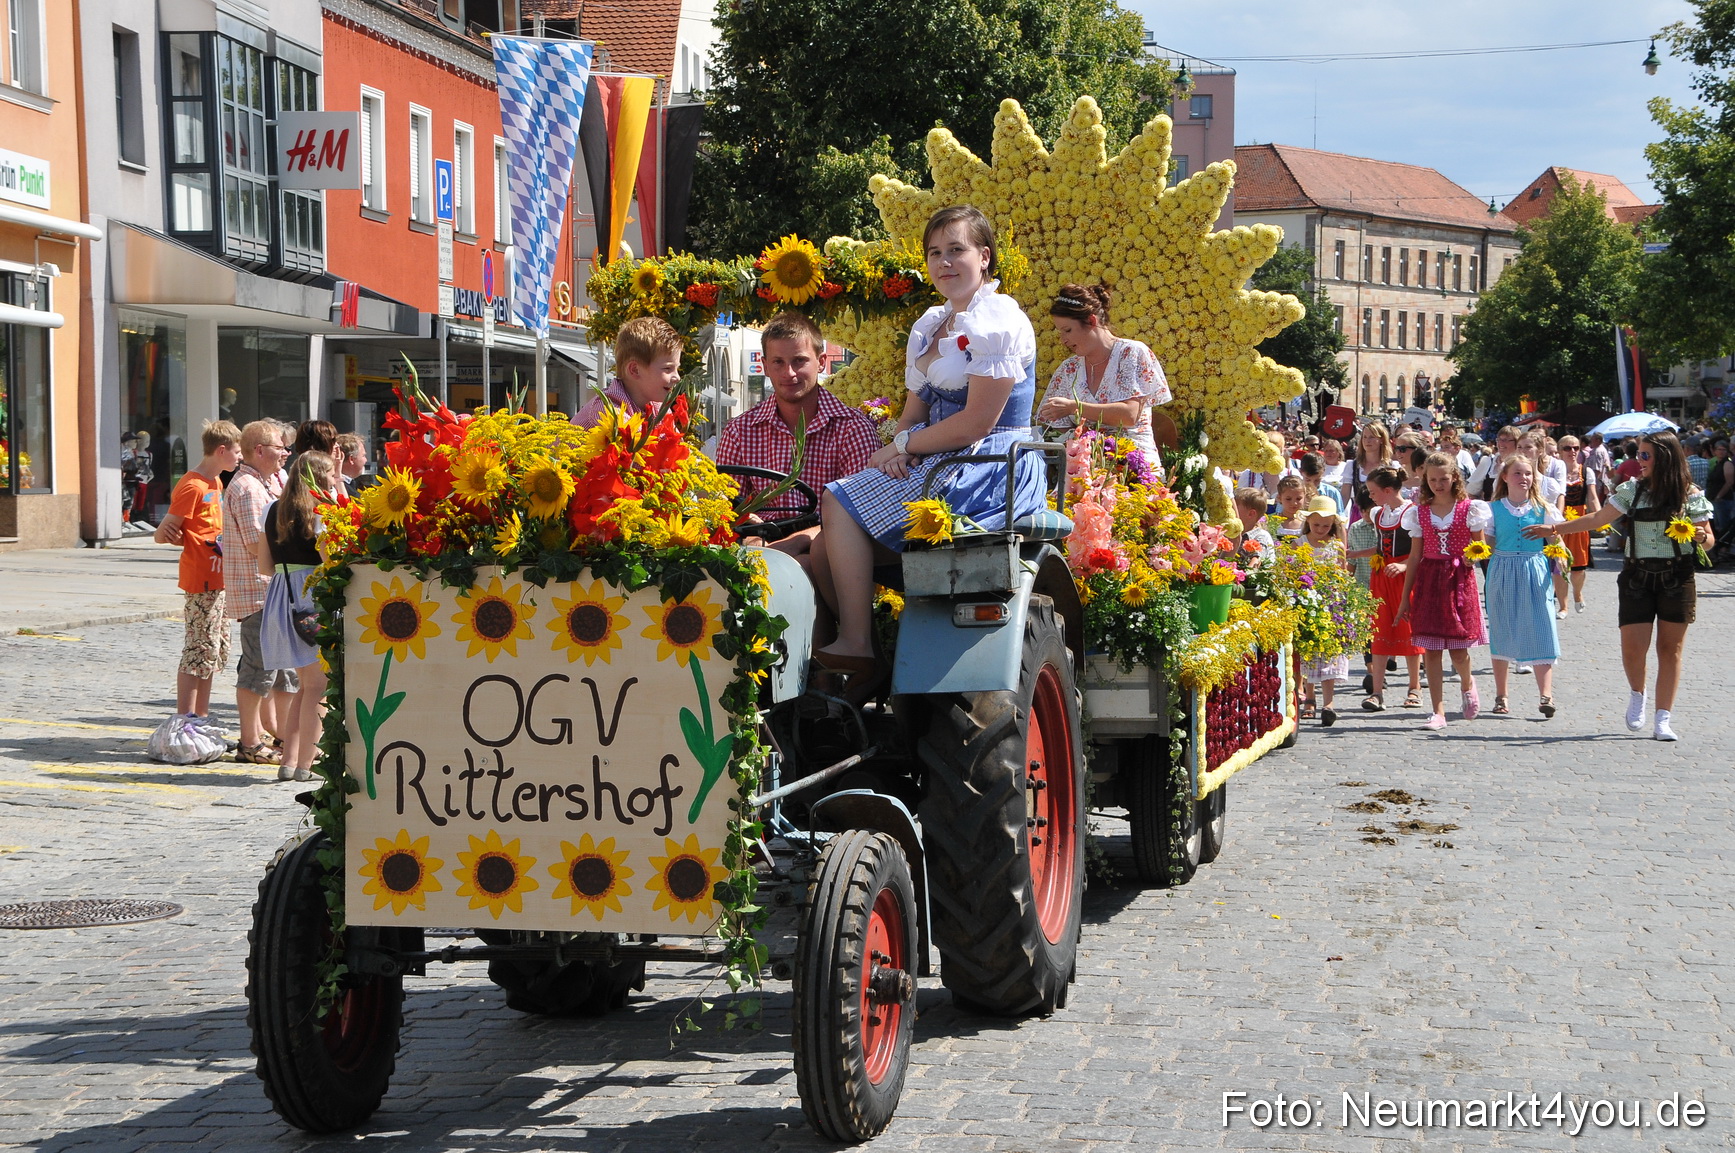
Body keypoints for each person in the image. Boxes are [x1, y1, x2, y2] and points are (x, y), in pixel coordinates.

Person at [818, 205, 1045, 694]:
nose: (944, 262)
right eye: (934, 253)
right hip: (939, 456)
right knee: (820, 547)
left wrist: (904, 444)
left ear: (984, 257)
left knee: (837, 500)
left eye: (956, 250)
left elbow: (976, 422)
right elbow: (914, 409)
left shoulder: (998, 317)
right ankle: (871, 652)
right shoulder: (932, 324)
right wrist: (901, 446)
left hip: (987, 462)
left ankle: (858, 643)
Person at [1527, 430, 1714, 741]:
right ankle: (1637, 695)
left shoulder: (1689, 494)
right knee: (1633, 649)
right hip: (1637, 576)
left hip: (1676, 577)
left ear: (1663, 458)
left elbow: (1707, 540)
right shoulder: (1632, 490)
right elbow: (1598, 519)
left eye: (1644, 456)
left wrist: (1700, 537)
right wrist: (1555, 528)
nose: (1637, 461)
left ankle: (1663, 717)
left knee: (1671, 650)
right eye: (1637, 454)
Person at [715, 310, 880, 562]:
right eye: (778, 362)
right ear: (764, 365)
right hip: (761, 546)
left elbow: (861, 512)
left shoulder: (853, 428)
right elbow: (726, 505)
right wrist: (750, 536)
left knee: (807, 562)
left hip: (829, 550)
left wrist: (797, 543)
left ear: (821, 362)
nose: (789, 373)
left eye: (799, 361)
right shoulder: (740, 430)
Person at [154, 420, 242, 738]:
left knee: (213, 650)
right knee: (197, 648)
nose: (239, 457)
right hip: (200, 580)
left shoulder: (215, 483)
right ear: (221, 451)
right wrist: (186, 540)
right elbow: (163, 533)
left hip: (218, 578)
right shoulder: (193, 485)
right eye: (236, 451)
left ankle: (200, 716)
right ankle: (185, 718)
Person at [258, 452, 339, 781]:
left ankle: (289, 761)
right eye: (332, 475)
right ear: (320, 478)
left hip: (281, 596)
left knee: (305, 688)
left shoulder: (273, 510)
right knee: (318, 686)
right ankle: (307, 763)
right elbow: (329, 559)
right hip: (310, 595)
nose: (335, 481)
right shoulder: (319, 512)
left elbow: (264, 566)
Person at [1396, 453, 1489, 730]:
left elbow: (1481, 547)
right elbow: (1414, 558)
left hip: (1459, 580)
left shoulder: (1469, 508)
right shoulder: (1419, 512)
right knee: (1432, 651)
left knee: (1459, 652)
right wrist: (1405, 599)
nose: (1438, 484)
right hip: (1430, 580)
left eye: (1444, 479)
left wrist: (1471, 559)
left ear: (1454, 478)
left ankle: (1467, 682)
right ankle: (1438, 711)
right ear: (1426, 480)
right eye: (1433, 479)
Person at [222, 420, 296, 767]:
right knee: (257, 669)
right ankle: (249, 742)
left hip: (273, 591)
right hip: (259, 592)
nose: (285, 453)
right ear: (259, 451)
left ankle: (282, 734)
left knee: (284, 670)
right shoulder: (248, 488)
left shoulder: (265, 482)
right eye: (280, 448)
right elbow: (256, 544)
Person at [1035, 283, 1176, 461]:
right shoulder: (1069, 368)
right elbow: (1057, 425)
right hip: (1086, 468)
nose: (1063, 340)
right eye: (1060, 333)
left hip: (1134, 465)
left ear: (1092, 321)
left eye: (1067, 330)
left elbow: (1130, 415)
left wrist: (1073, 407)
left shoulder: (1131, 353)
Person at [1484, 455, 1563, 718]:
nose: (1524, 478)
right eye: (1518, 473)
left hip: (1535, 568)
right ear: (1505, 477)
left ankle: (1546, 694)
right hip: (1503, 569)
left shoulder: (1543, 507)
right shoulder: (1492, 509)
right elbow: (1486, 543)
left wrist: (1560, 554)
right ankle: (1501, 695)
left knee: (1543, 626)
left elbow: (1557, 538)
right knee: (1502, 628)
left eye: (1528, 473)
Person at [1355, 466, 1422, 711]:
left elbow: (1420, 551)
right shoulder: (1377, 514)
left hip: (1405, 577)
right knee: (1379, 629)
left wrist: (1404, 566)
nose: (1370, 496)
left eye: (1373, 491)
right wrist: (1354, 553)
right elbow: (1379, 548)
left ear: (1387, 490)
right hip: (1381, 576)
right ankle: (1377, 691)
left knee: (1408, 628)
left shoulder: (1412, 513)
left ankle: (1414, 686)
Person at [1297, 496, 1348, 726]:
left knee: (1329, 653)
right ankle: (1310, 697)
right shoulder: (1300, 543)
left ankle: (1329, 703)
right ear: (1308, 522)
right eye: (1316, 525)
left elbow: (1342, 571)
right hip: (1308, 601)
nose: (1320, 530)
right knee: (1309, 651)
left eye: (1326, 526)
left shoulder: (1335, 544)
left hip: (1330, 602)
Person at [578, 316, 683, 428]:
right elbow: (634, 443)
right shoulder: (608, 409)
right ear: (635, 370)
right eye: (667, 368)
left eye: (676, 368)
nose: (677, 377)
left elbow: (677, 444)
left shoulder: (657, 408)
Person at [1555, 435, 1600, 612]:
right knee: (1559, 566)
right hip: (1559, 520)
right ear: (1559, 451)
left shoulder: (1585, 472)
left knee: (1578, 568)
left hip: (1580, 520)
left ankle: (1578, 593)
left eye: (1575, 448)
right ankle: (1563, 606)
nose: (1572, 451)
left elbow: (1593, 497)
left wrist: (1599, 518)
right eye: (1567, 448)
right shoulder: (1553, 472)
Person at [1342, 421, 1394, 522]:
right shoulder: (1352, 466)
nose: (1367, 441)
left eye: (1372, 437)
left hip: (1384, 515)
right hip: (1360, 516)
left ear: (1381, 439)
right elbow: (1344, 496)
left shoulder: (1391, 466)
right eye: (1364, 437)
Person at [1467, 425, 1521, 502]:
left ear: (1516, 443)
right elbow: (1471, 493)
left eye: (1506, 440)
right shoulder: (1487, 462)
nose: (1501, 443)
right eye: (1499, 440)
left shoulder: (1522, 465)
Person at [1706, 437, 1734, 564]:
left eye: (1724, 450)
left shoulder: (1727, 463)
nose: (1721, 452)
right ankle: (1720, 551)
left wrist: (1719, 495)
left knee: (1723, 526)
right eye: (1719, 449)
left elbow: (1729, 482)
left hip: (1723, 499)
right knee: (1718, 526)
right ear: (1714, 451)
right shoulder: (1717, 463)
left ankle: (1723, 550)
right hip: (1715, 499)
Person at [1234, 487, 1275, 565]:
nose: (1231, 510)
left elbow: (1256, 561)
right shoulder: (1231, 532)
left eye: (1235, 507)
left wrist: (1244, 574)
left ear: (1251, 514)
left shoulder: (1260, 536)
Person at [1271, 474, 1307, 539]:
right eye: (1288, 499)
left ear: (1304, 497)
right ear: (1279, 498)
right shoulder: (1272, 521)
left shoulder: (1308, 521)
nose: (1294, 503)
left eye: (1298, 499)